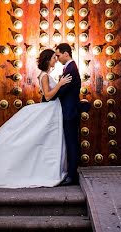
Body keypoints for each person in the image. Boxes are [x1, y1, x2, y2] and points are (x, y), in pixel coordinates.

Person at [0, 49, 73, 188]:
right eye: (54, 57)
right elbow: (48, 96)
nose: (56, 59)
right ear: (48, 60)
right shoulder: (45, 76)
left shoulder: (45, 75)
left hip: (53, 110)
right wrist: (60, 84)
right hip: (50, 109)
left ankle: (47, 170)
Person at [54, 43, 89, 185]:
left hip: (70, 113)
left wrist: (49, 95)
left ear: (66, 54)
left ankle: (72, 176)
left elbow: (62, 91)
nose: (57, 58)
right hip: (69, 111)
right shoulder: (69, 68)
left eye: (58, 55)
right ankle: (71, 173)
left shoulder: (70, 69)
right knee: (70, 142)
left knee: (72, 143)